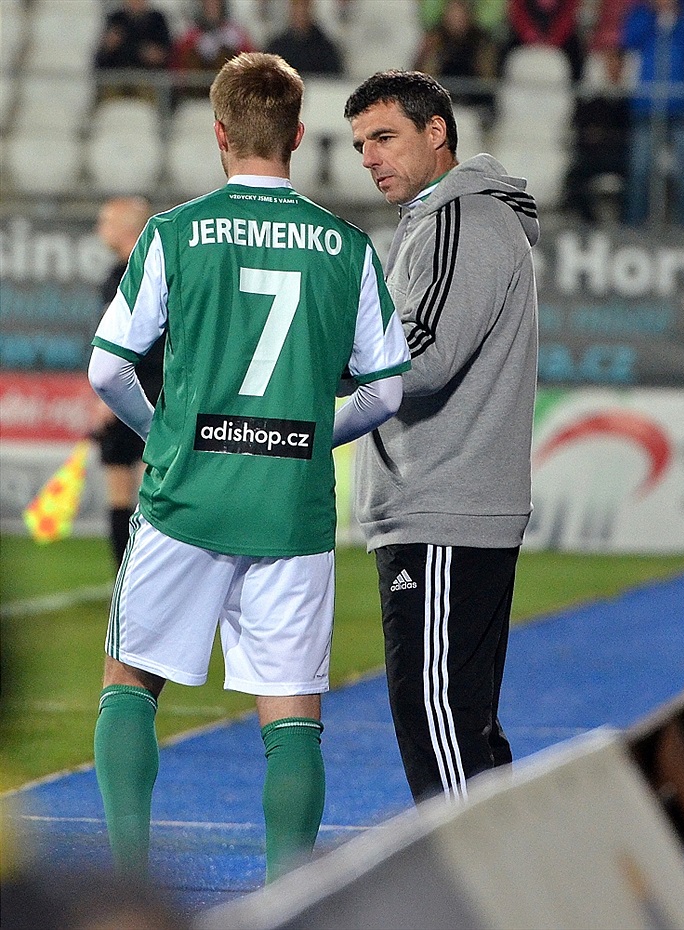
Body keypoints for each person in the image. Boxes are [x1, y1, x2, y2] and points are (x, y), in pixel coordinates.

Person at [87, 52, 410, 883]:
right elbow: (385, 390)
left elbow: (106, 371)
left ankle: (130, 886)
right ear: (300, 135)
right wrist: (309, 435)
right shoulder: (346, 246)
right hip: (291, 507)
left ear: (220, 133)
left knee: (130, 682)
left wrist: (164, 434)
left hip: (185, 499)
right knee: (292, 714)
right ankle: (286, 898)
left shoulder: (175, 233)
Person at [344, 70, 539, 804]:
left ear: (436, 133)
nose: (369, 156)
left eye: (385, 136)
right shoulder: (441, 220)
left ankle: (478, 903)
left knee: (441, 730)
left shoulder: (461, 220)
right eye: (362, 143)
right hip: (448, 507)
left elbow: (418, 359)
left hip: (443, 508)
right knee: (460, 729)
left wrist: (317, 352)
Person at [90, 197, 165, 569]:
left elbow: (117, 348)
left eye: (106, 221)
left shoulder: (125, 275)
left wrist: (105, 399)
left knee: (122, 486)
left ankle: (126, 571)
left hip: (130, 389)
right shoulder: (162, 267)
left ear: (127, 227)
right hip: (167, 392)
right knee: (158, 487)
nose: (100, 229)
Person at [620, 0, 684, 226]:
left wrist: (677, 18)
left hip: (679, 104)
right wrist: (654, 15)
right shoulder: (641, 13)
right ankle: (634, 223)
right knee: (641, 167)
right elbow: (629, 39)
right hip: (647, 103)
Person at [561, 46, 630, 223]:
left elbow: (628, 134)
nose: (613, 69)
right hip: (595, 156)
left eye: (617, 65)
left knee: (637, 175)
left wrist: (604, 136)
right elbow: (582, 129)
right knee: (574, 178)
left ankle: (629, 224)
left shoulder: (629, 101)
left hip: (620, 157)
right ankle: (590, 224)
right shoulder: (595, 99)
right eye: (610, 64)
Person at [413, 0, 499, 124]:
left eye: (460, 14)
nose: (456, 18)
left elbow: (488, 80)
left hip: (473, 96)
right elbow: (422, 75)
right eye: (452, 13)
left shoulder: (481, 42)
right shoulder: (435, 41)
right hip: (442, 96)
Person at [170, 0, 257, 106]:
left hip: (228, 94)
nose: (212, 8)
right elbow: (178, 64)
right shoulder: (190, 36)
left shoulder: (235, 34)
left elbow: (251, 60)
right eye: (208, 5)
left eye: (216, 5)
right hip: (196, 93)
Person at [93, 0, 173, 104]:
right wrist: (107, 48)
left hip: (147, 78)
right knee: (109, 102)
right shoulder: (115, 19)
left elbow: (166, 55)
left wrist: (157, 56)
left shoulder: (157, 20)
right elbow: (100, 60)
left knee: (146, 100)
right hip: (117, 77)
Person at [505, 0, 585, 82]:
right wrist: (529, 35)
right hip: (526, 31)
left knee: (576, 53)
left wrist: (554, 39)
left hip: (560, 33)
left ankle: (577, 85)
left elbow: (569, 14)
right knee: (506, 47)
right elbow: (518, 12)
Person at [265, 0, 343, 76]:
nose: (300, 13)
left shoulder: (325, 49)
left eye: (304, 7)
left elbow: (333, 81)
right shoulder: (277, 47)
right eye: (296, 8)